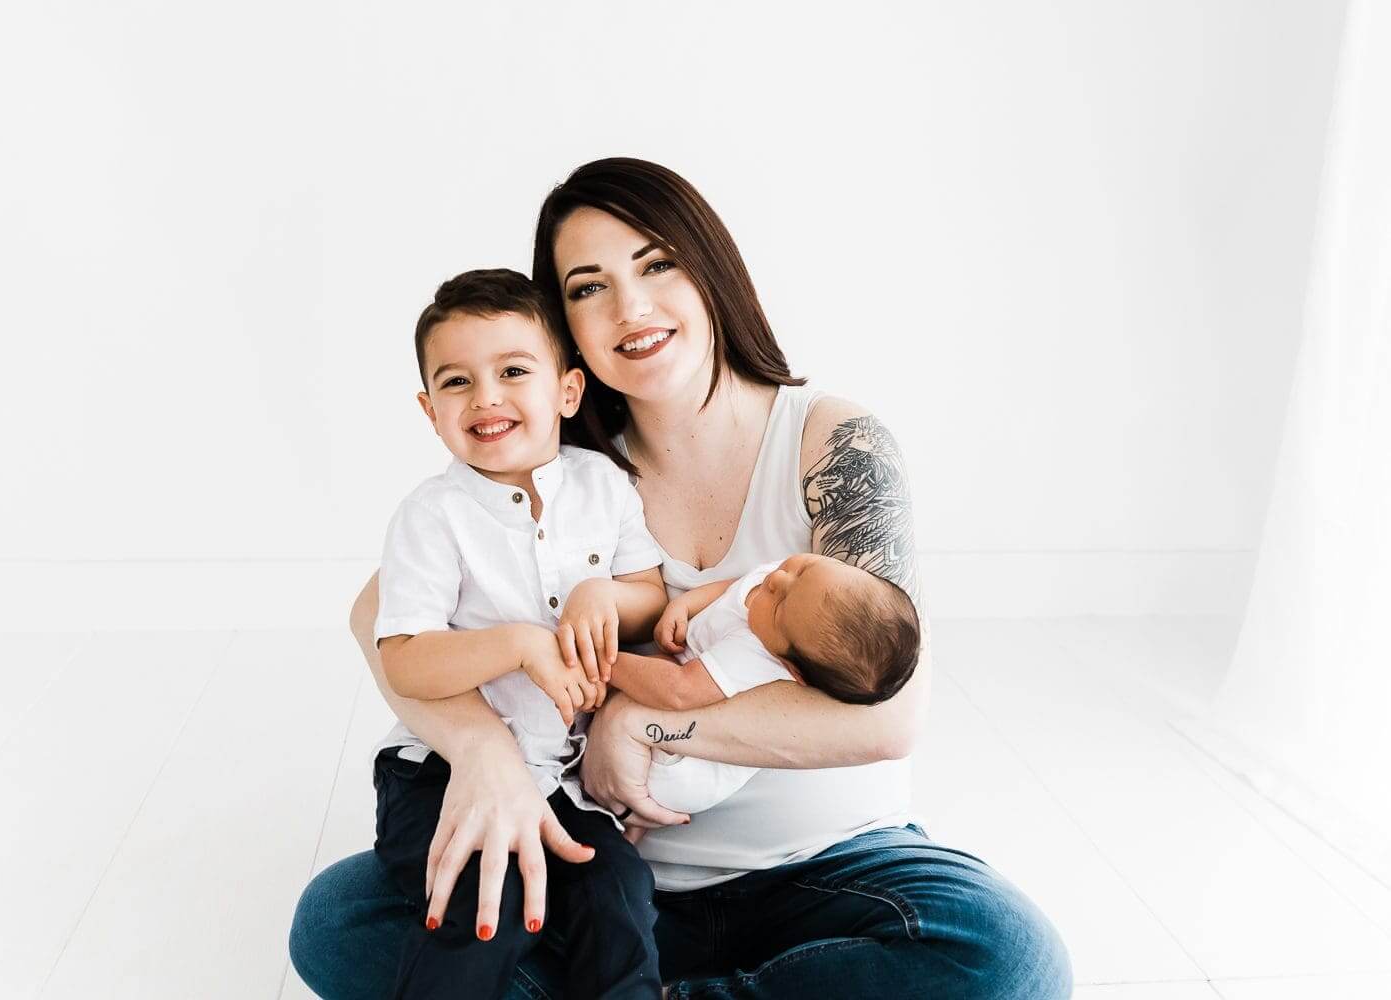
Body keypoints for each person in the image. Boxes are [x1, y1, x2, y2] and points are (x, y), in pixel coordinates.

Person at [291, 158, 1073, 999]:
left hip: (828, 869)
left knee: (1009, 957)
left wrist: (646, 726)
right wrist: (485, 755)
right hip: (603, 871)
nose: (630, 308)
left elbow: (890, 717)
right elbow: (377, 617)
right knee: (339, 922)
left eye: (656, 264)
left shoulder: (831, 443)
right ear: (565, 337)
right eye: (588, 287)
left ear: (710, 269)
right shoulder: (559, 465)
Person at [370, 268, 668, 998]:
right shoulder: (432, 515)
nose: (486, 397)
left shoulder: (605, 485)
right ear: (429, 410)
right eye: (457, 382)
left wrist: (604, 593)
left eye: (512, 372)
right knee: (486, 906)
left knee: (619, 895)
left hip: (564, 781)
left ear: (567, 391)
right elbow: (404, 660)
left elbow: (649, 598)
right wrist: (518, 642)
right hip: (440, 774)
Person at [605, 553, 920, 816]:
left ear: (790, 667)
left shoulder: (753, 653)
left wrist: (603, 664)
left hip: (684, 770)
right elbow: (738, 588)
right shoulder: (793, 588)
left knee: (658, 681)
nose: (777, 580)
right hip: (672, 700)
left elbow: (679, 689)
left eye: (779, 605)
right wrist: (685, 605)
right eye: (805, 569)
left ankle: (630, 815)